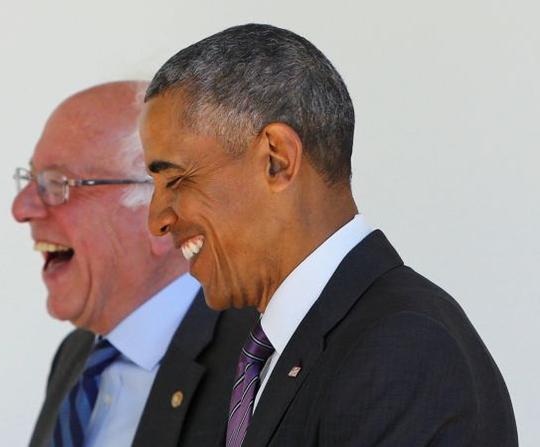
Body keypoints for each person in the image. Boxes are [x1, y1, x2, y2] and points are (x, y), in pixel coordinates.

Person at [140, 24, 518, 446]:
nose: (157, 220)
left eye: (176, 180)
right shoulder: (269, 350)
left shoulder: (403, 348)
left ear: (277, 160)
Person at [12, 81, 256, 447]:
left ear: (161, 211)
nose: (22, 208)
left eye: (57, 183)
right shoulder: (76, 354)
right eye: (31, 178)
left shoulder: (254, 364)